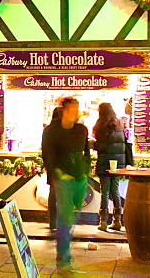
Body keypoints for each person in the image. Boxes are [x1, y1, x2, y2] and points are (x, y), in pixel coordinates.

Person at [41, 97, 90, 274]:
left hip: (79, 179)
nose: (76, 113)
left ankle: (65, 255)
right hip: (63, 181)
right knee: (65, 220)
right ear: (65, 110)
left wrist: (85, 172)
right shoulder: (51, 131)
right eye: (73, 110)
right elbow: (47, 156)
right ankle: (63, 260)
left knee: (72, 220)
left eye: (78, 109)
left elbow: (86, 153)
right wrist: (59, 175)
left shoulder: (81, 129)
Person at [92, 102, 126, 231]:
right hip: (117, 163)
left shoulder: (102, 126)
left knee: (105, 192)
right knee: (115, 190)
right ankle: (117, 221)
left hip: (105, 162)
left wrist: (92, 144)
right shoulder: (118, 125)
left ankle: (103, 222)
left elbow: (101, 146)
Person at [45, 106, 63, 231]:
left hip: (53, 165)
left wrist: (47, 165)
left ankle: (52, 222)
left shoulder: (48, 129)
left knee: (53, 194)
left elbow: (45, 149)